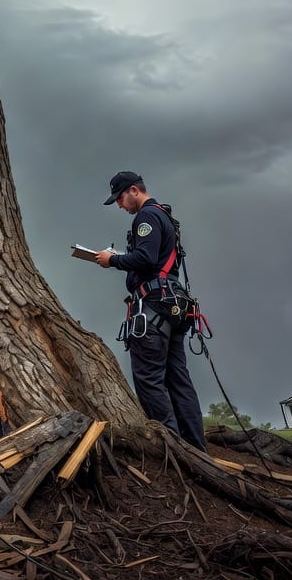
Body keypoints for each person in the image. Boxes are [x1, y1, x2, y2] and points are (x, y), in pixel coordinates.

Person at [95, 170, 206, 450]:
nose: (119, 205)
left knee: (148, 379)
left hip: (154, 308)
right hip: (173, 307)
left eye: (119, 198)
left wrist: (112, 260)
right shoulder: (164, 215)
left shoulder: (146, 217)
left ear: (134, 190)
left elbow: (145, 258)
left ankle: (174, 449)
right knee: (178, 380)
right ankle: (197, 450)